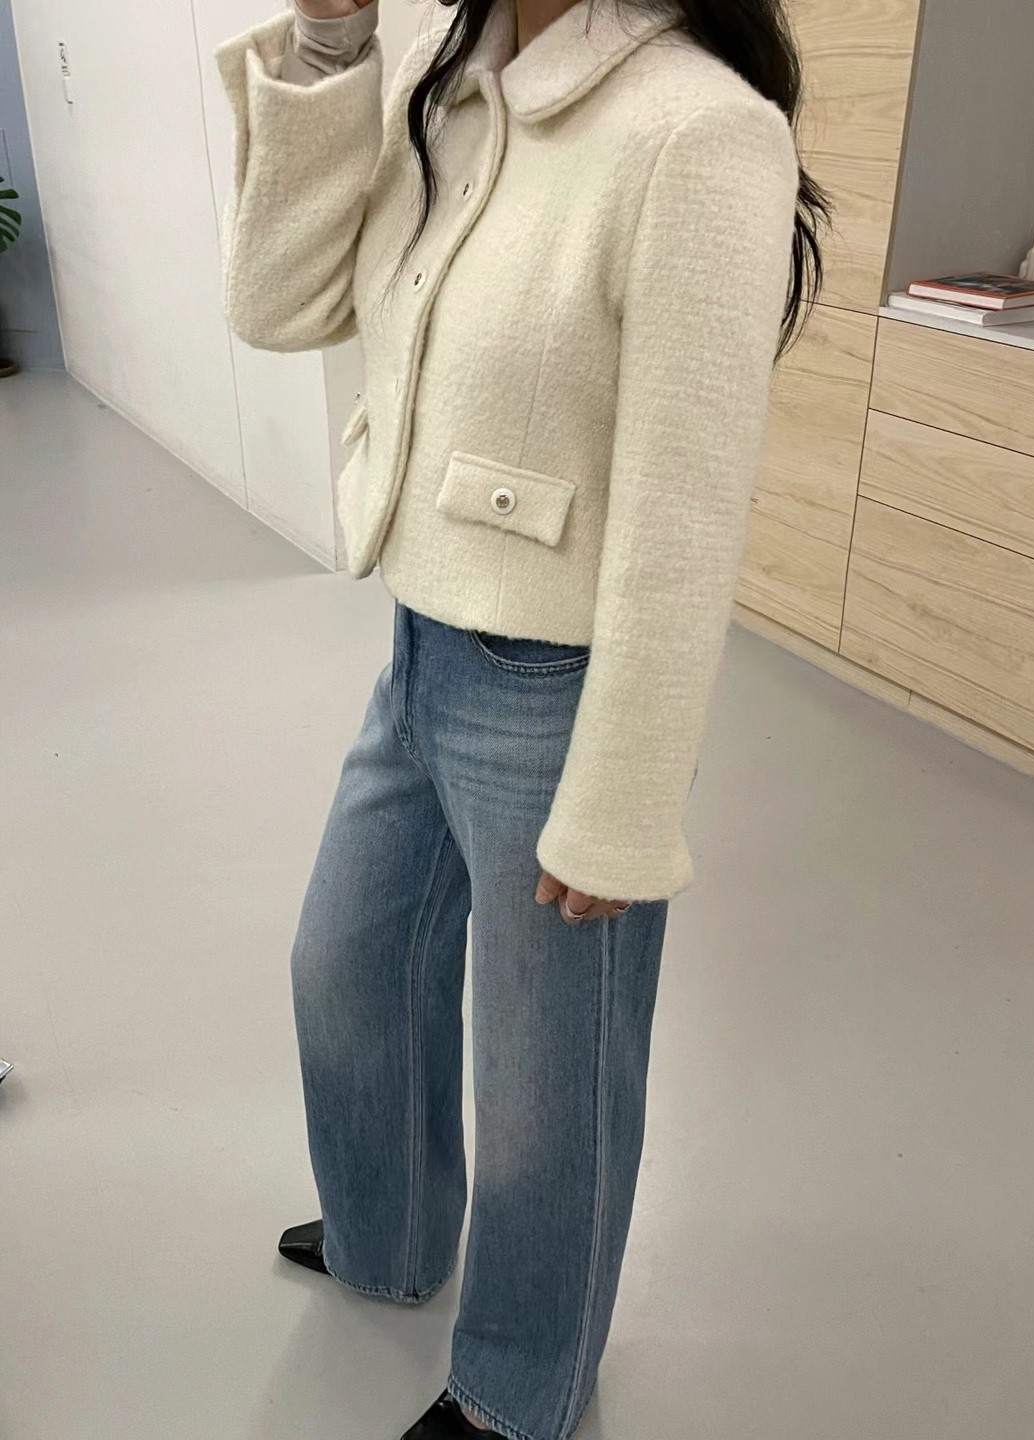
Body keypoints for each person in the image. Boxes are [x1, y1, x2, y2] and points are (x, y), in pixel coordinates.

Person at [215, 0, 824, 1434]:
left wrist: (626, 804)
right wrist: (329, 50)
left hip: (553, 688)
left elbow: (684, 513)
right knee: (346, 967)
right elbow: (276, 305)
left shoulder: (699, 131)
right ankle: (389, 1235)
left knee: (553, 1086)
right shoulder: (449, 84)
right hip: (418, 646)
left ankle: (516, 1387)